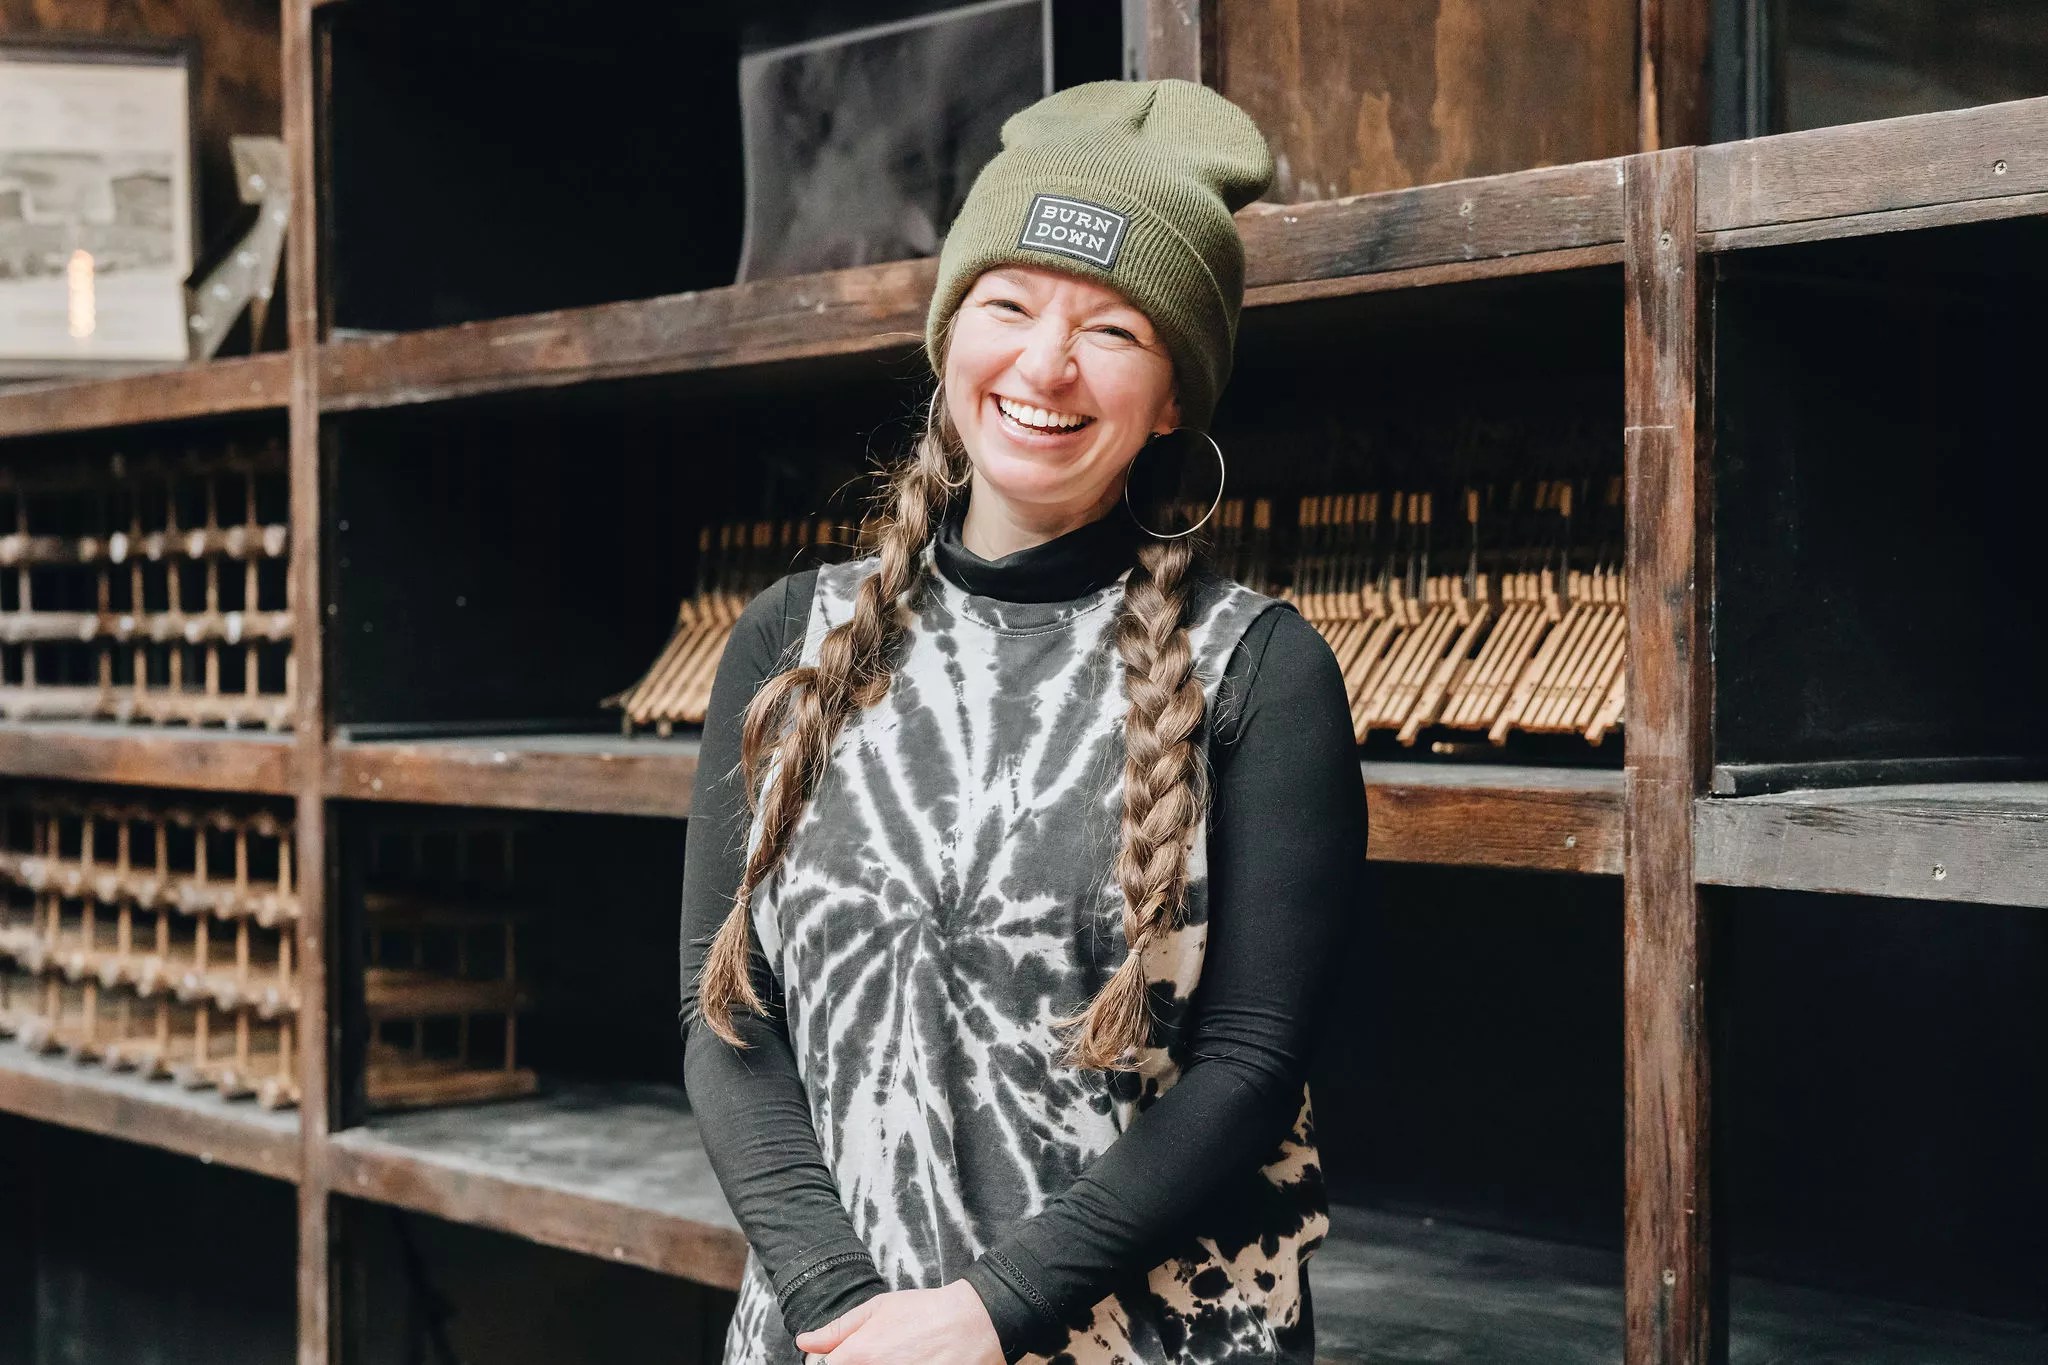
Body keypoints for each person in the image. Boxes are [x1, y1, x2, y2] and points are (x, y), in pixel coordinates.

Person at [679, 77, 1368, 1365]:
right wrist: (842, 1313)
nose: (1045, 366)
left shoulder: (1260, 675)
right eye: (1007, 305)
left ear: (1174, 399)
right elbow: (724, 1019)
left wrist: (985, 1319)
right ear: (950, 339)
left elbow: (1249, 1067)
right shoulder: (791, 642)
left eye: (1113, 329)